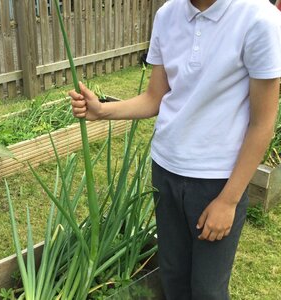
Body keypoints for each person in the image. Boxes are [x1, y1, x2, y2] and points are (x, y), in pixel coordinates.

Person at [69, 0, 281, 299]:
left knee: (208, 289)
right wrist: (102, 110)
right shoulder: (168, 14)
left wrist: (228, 200)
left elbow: (262, 124)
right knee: (173, 276)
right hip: (166, 169)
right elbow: (155, 97)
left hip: (216, 181)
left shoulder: (259, 18)